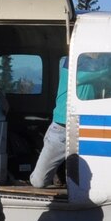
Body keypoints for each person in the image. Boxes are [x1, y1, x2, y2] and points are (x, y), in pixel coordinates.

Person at [27, 57, 69, 188]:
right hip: (61, 128)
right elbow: (81, 77)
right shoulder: (74, 59)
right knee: (38, 182)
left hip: (87, 127)